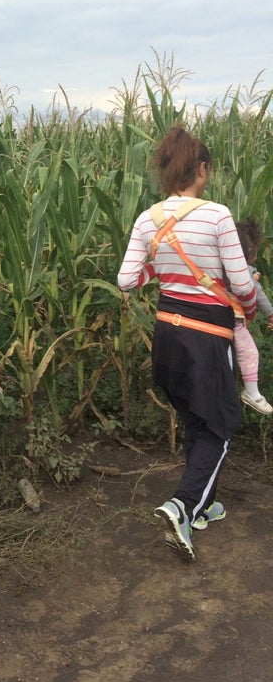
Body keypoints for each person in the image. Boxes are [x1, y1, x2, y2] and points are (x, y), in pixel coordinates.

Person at [117, 125, 256, 561]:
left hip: (167, 336)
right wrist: (249, 305)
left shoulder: (147, 219)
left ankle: (204, 505)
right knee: (220, 425)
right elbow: (239, 282)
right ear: (201, 168)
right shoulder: (216, 215)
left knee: (197, 417)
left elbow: (126, 280)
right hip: (207, 338)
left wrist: (166, 267)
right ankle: (182, 506)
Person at [233, 218, 273, 414]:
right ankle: (251, 391)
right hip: (231, 322)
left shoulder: (217, 261)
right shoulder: (243, 271)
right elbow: (256, 292)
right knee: (249, 353)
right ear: (250, 251)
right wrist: (270, 314)